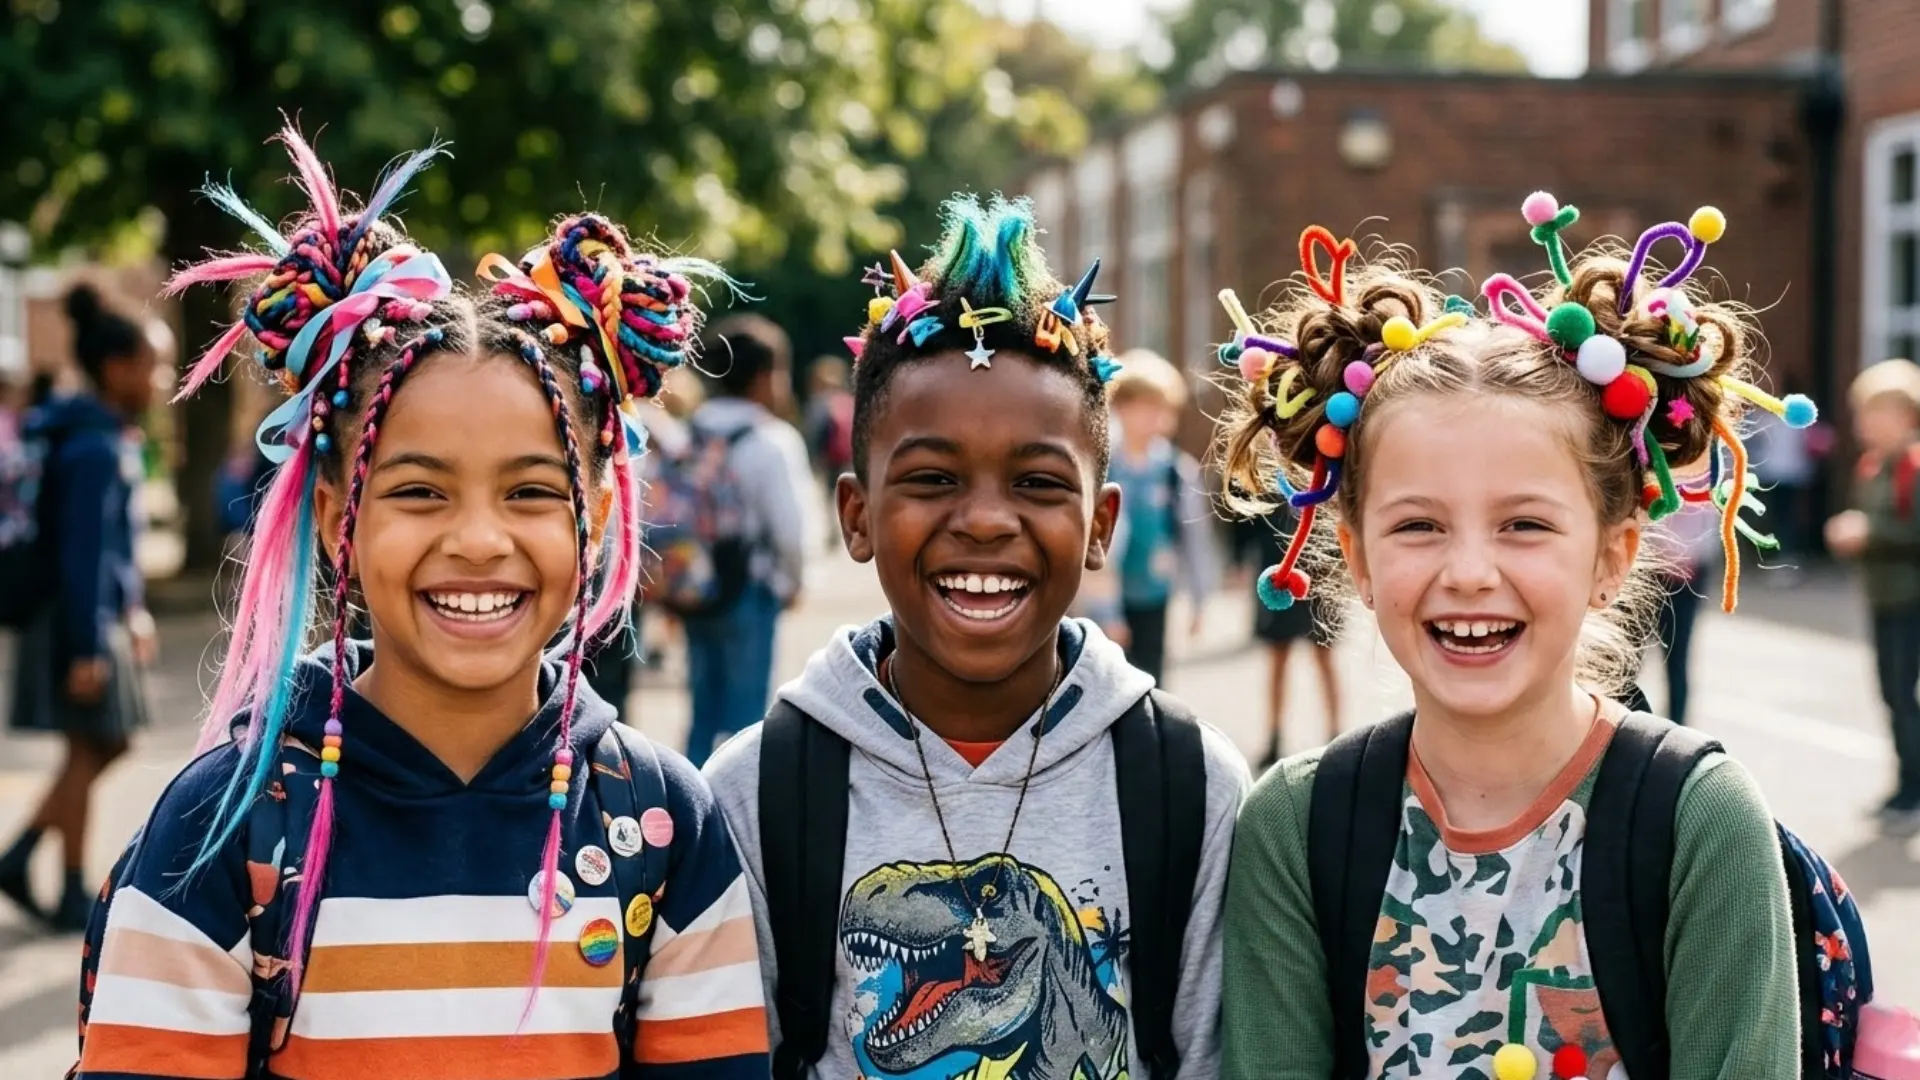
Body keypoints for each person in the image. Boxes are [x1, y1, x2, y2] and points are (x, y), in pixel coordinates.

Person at [69, 127, 767, 1078]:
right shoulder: (225, 828)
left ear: (595, 517)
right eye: (418, 491)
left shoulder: (660, 822)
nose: (479, 539)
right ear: (333, 517)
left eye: (529, 492)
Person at [1217, 202, 1804, 1077]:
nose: (1469, 572)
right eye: (1418, 526)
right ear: (1359, 558)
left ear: (1613, 555)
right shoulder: (1296, 827)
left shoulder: (1699, 823)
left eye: (1524, 525)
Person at [703, 195, 1249, 1080]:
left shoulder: (1192, 785)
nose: (987, 520)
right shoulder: (754, 794)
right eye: (931, 477)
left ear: (1101, 524)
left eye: (1037, 482)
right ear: (857, 515)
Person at [0, 283, 157, 932]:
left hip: (80, 612)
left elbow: (114, 545)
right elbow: (86, 552)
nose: (161, 378)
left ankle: (52, 871)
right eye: (154, 364)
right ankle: (37, 863)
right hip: (75, 617)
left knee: (93, 746)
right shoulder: (93, 445)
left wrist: (135, 606)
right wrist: (91, 645)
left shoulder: (82, 429)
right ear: (117, 368)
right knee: (98, 743)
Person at [681, 314, 814, 766]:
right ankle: (739, 818)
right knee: (746, 716)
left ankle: (690, 804)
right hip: (751, 588)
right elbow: (789, 528)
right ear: (765, 377)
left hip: (695, 584)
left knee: (702, 706)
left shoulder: (689, 433)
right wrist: (795, 581)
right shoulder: (771, 439)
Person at [1826, 357, 1920, 825]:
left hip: (1910, 600)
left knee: (1904, 694)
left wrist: (1869, 532)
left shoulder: (1913, 467)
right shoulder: (1872, 466)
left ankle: (1912, 790)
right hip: (1883, 596)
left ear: (1902, 415)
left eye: (1870, 413)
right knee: (1893, 693)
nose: (1861, 424)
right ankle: (1905, 783)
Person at [1104, 349, 1219, 683]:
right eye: (1146, 408)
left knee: (1151, 681)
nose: (1155, 419)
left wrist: (1199, 599)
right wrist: (1104, 610)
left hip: (1155, 592)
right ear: (1121, 408)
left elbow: (1194, 537)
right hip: (1111, 594)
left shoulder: (1174, 470)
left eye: (1162, 409)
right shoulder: (1106, 468)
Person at [1248, 513, 1339, 768]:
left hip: (1320, 567)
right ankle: (1274, 736)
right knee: (1278, 656)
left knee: (1325, 654)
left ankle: (1336, 732)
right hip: (1278, 566)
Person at [1645, 500, 1720, 725]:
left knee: (1677, 656)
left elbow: (1710, 526)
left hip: (1687, 575)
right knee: (1628, 658)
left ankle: (1677, 729)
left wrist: (1687, 558)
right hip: (1648, 570)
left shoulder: (1705, 476)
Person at [802, 354, 856, 543]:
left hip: (828, 456)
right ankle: (851, 526)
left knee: (829, 495)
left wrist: (813, 457)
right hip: (848, 455)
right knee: (848, 492)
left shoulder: (818, 402)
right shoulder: (848, 400)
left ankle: (834, 529)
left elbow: (814, 431)